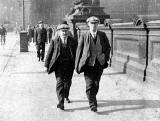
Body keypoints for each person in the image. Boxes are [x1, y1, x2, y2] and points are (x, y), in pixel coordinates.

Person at [75, 16, 111, 112]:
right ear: (88, 24)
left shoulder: (102, 35)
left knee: (96, 84)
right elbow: (79, 50)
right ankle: (92, 104)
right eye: (92, 23)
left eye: (96, 23)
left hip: (99, 64)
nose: (94, 25)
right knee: (89, 84)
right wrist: (77, 65)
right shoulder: (84, 35)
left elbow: (108, 47)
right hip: (88, 64)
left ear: (98, 24)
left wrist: (105, 57)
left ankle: (92, 98)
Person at [44, 21, 77, 110]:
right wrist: (46, 65)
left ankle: (66, 95)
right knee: (59, 83)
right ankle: (61, 102)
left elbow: (77, 53)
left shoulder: (73, 41)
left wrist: (77, 64)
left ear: (68, 32)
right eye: (62, 31)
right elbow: (49, 53)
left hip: (70, 65)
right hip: (58, 66)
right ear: (59, 32)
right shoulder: (55, 41)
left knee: (68, 82)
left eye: (66, 31)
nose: (64, 33)